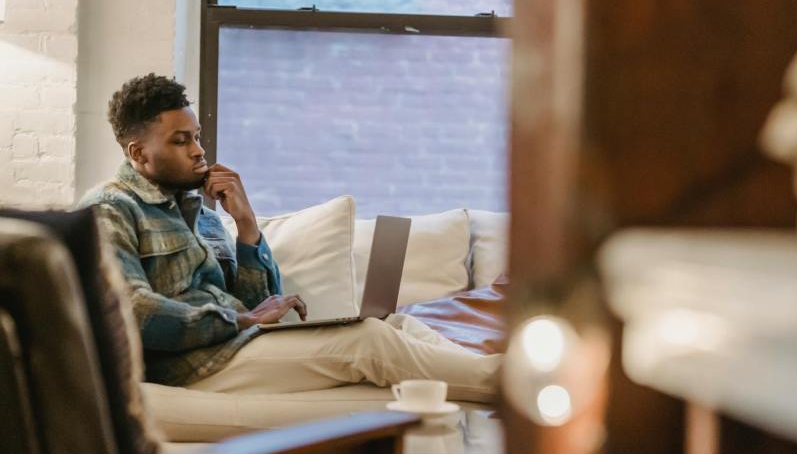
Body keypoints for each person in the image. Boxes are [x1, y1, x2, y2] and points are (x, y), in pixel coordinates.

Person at [80, 73, 500, 403]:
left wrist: (246, 227)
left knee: (396, 321)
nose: (199, 151)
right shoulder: (109, 208)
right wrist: (240, 321)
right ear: (138, 153)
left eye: (198, 137)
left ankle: (502, 375)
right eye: (181, 140)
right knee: (368, 342)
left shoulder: (201, 213)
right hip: (190, 365)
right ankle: (517, 388)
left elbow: (259, 304)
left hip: (238, 345)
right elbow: (129, 310)